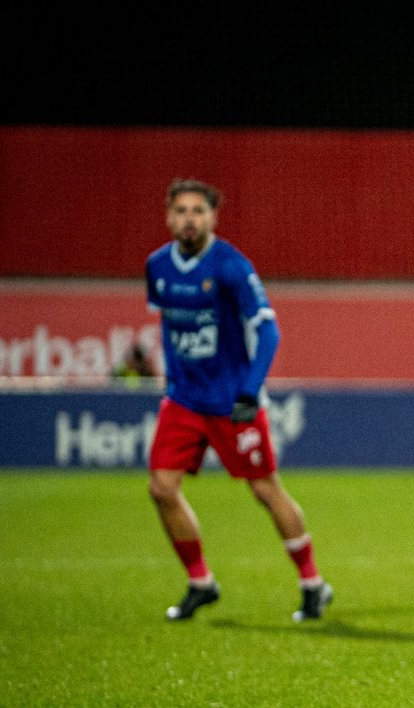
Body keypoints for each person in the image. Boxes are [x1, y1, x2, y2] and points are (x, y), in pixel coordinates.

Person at [145, 179, 333, 623]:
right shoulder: (157, 267)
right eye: (181, 211)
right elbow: (170, 329)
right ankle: (201, 582)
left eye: (198, 211)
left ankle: (312, 583)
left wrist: (249, 390)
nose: (189, 219)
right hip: (185, 400)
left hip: (233, 402)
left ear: (213, 218)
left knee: (266, 489)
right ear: (169, 217)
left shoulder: (231, 267)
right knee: (161, 488)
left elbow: (268, 330)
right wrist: (174, 381)